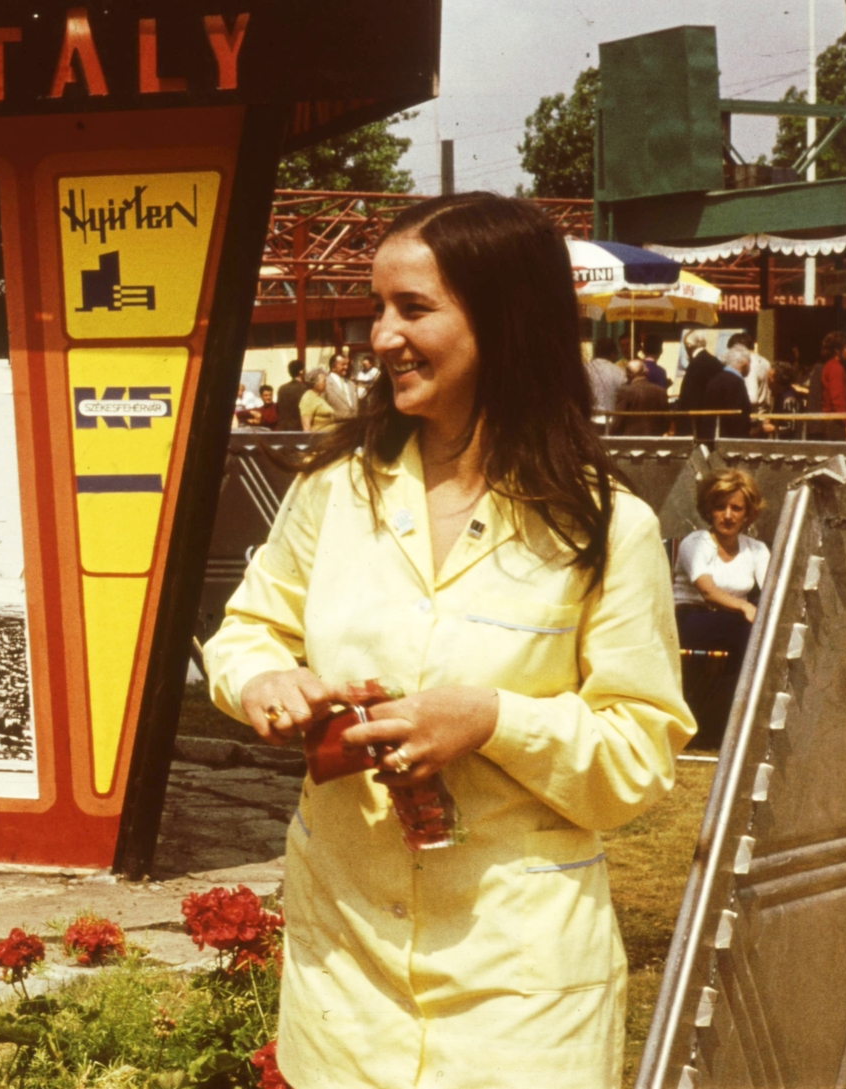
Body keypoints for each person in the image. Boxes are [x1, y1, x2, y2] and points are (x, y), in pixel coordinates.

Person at [202, 192, 692, 1088]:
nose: (382, 336)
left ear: (504, 321)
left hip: (518, 986)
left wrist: (493, 721)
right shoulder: (335, 492)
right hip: (345, 973)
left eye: (413, 309)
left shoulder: (601, 525)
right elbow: (246, 631)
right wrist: (265, 679)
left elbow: (640, 750)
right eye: (378, 308)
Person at [673, 470, 769, 749]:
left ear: (747, 514)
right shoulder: (697, 542)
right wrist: (744, 606)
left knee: (755, 637)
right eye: (720, 507)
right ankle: (716, 727)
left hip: (733, 625)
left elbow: (772, 590)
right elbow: (707, 591)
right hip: (690, 619)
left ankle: (717, 725)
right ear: (709, 510)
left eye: (736, 508)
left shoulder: (757, 549)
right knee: (748, 634)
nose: (727, 515)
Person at [806, 331, 846, 441]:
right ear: (837, 351)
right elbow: (838, 398)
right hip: (836, 422)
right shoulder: (836, 368)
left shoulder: (829, 366)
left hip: (830, 420)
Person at [679, 330, 723, 440]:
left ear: (688, 346)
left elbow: (688, 396)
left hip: (696, 422)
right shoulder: (715, 362)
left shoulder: (695, 364)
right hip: (713, 419)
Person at [704, 345, 754, 439]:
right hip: (731, 439)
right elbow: (740, 414)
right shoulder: (736, 382)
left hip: (713, 435)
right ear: (744, 363)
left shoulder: (715, 379)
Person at [612, 357, 669, 436]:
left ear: (626, 375)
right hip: (654, 440)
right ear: (646, 371)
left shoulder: (624, 392)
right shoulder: (660, 392)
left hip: (630, 442)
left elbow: (618, 421)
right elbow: (666, 422)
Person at [584, 336, 625, 424]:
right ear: (613, 354)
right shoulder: (619, 372)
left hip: (588, 419)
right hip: (610, 421)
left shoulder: (583, 369)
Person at [729, 332, 771, 412]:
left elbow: (752, 398)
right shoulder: (765, 361)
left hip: (751, 417)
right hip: (763, 413)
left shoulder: (748, 363)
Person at [275, 360, 309, 432]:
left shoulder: (282, 388)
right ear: (301, 372)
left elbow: (277, 408)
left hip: (283, 428)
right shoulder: (304, 389)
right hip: (299, 428)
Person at [323, 352, 360, 419]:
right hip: (334, 426)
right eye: (343, 365)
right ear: (333, 367)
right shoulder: (325, 383)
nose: (346, 367)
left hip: (354, 425)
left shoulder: (351, 384)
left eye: (347, 364)